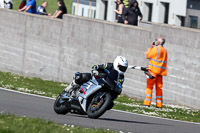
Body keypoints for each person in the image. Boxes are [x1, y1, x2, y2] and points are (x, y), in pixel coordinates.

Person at [143, 37, 168, 108]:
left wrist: (150, 48)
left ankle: (147, 103)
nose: (155, 41)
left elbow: (147, 56)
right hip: (160, 72)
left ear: (159, 42)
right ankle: (159, 105)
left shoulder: (156, 49)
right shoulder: (165, 50)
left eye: (157, 40)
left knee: (149, 87)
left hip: (153, 71)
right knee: (159, 88)